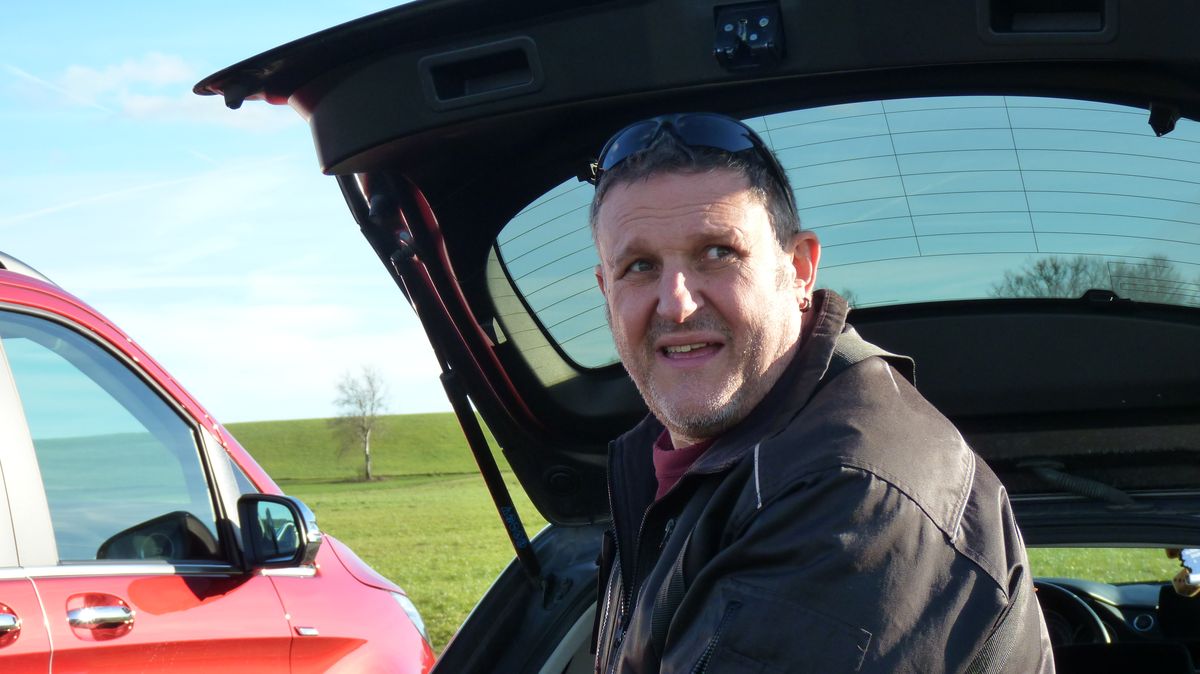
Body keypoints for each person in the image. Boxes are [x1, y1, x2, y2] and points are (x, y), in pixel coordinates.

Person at [588, 113, 1054, 673]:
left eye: (717, 253)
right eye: (639, 266)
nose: (677, 304)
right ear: (605, 290)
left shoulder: (853, 492)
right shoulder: (691, 456)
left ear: (799, 268)